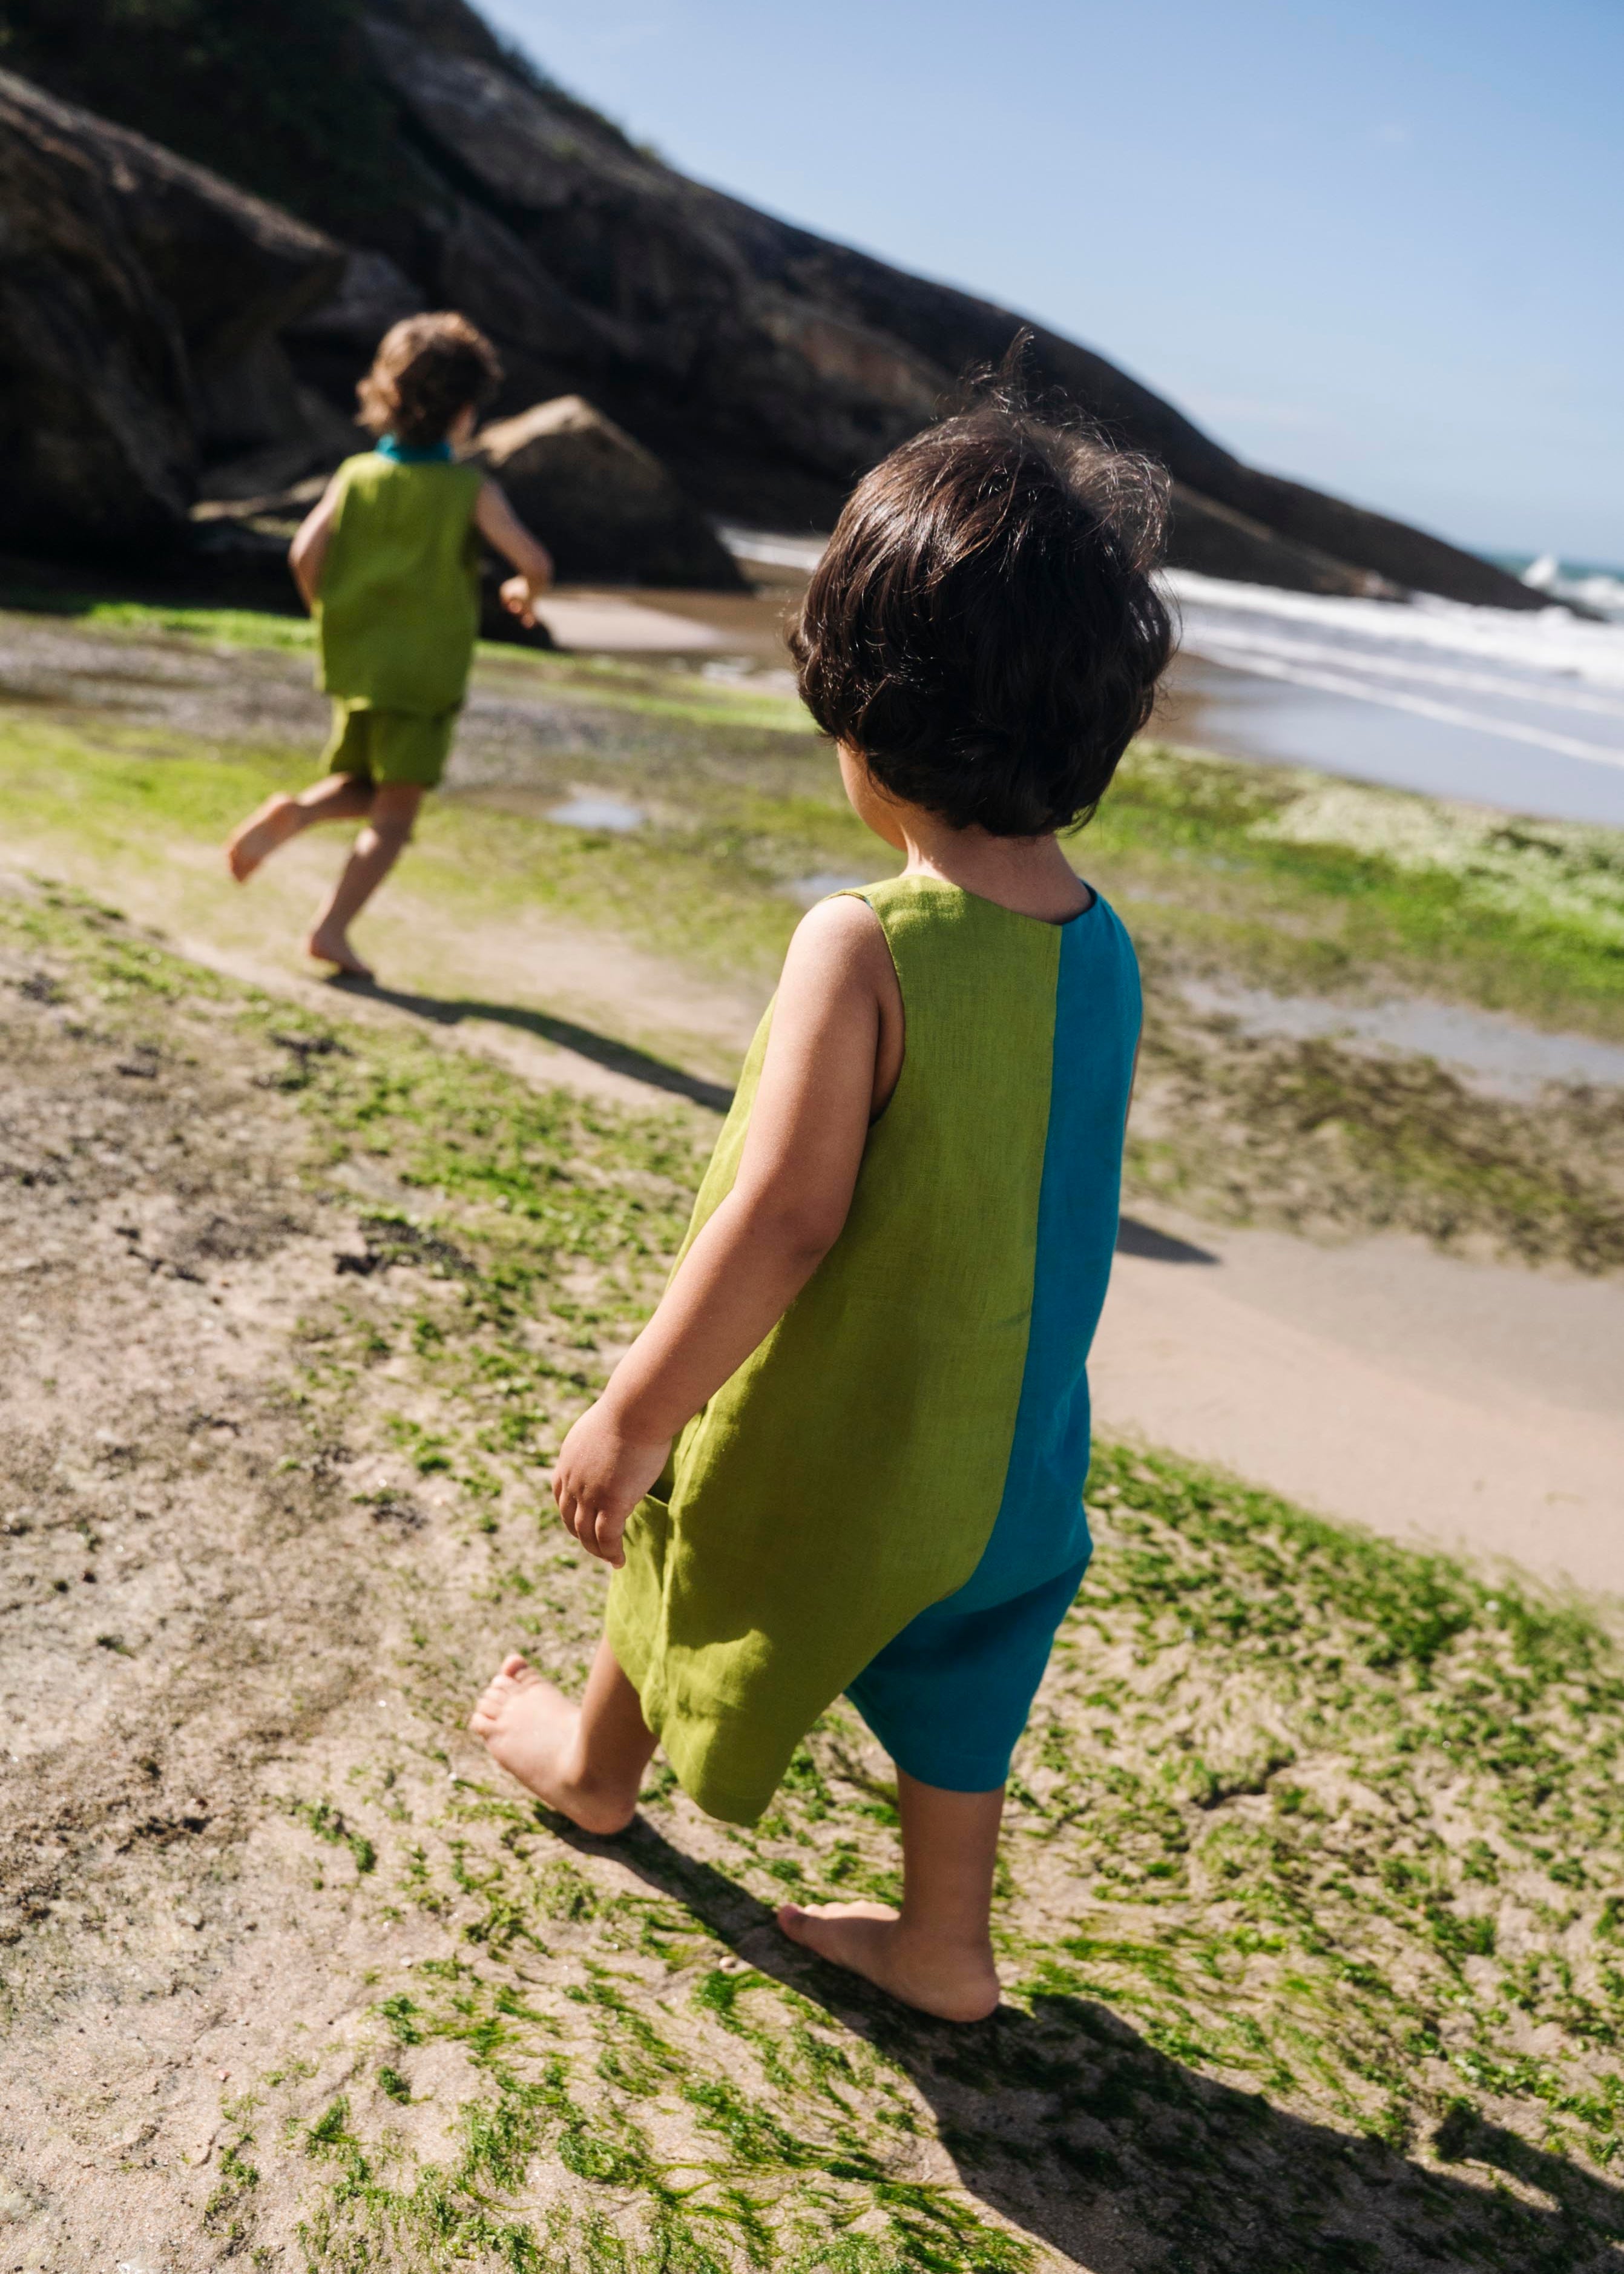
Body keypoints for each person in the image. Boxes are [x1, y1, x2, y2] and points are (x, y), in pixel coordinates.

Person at [470, 397, 1172, 2022]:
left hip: (843, 1431)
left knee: (684, 1535)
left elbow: (785, 1218)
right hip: (1010, 1448)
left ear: (857, 710)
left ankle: (590, 1763)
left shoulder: (862, 942)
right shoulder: (1101, 936)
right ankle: (944, 1942)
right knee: (967, 1671)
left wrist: (638, 1411)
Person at [225, 312, 554, 979]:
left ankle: (296, 814)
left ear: (386, 395)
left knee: (365, 783)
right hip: (423, 676)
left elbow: (303, 552)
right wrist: (524, 591)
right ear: (465, 412)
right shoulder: (469, 489)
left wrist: (331, 614)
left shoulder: (355, 476)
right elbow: (534, 560)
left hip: (358, 662)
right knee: (396, 815)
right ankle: (330, 930)